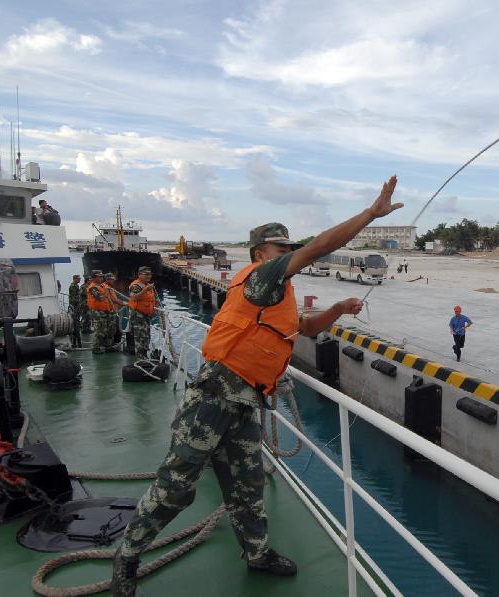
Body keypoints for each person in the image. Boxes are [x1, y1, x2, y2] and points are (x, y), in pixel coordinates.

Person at [111, 175, 402, 596]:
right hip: (214, 397)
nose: (287, 253)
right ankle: (129, 554)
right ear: (259, 253)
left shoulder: (276, 294)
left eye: (287, 247)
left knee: (247, 485)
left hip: (246, 401)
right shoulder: (261, 278)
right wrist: (370, 214)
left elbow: (308, 328)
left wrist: (338, 308)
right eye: (280, 248)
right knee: (177, 487)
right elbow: (318, 247)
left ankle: (257, 552)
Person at [128, 266, 156, 357]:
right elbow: (134, 297)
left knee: (146, 335)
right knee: (140, 336)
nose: (149, 276)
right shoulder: (136, 285)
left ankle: (144, 354)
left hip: (146, 315)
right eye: (146, 274)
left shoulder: (147, 285)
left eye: (150, 274)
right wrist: (145, 290)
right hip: (138, 315)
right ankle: (140, 356)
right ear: (139, 275)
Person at [86, 270, 116, 353]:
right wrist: (107, 292)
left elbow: (109, 299)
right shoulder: (93, 287)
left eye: (102, 276)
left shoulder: (102, 286)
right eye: (99, 276)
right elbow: (100, 298)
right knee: (100, 330)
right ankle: (96, 348)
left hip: (106, 310)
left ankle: (108, 346)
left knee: (110, 329)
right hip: (97, 312)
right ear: (94, 278)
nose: (101, 278)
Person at [68, 275, 83, 348]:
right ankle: (76, 343)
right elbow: (74, 298)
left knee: (76, 323)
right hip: (75, 308)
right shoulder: (73, 286)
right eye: (78, 279)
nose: (80, 280)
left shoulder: (76, 285)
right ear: (74, 279)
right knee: (75, 324)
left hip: (77, 307)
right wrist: (80, 302)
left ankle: (75, 342)